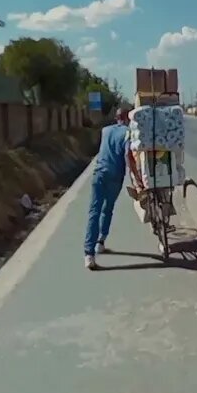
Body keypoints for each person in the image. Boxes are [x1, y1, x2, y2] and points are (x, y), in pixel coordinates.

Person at [85, 106, 139, 270]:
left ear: (116, 118)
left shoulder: (105, 130)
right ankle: (101, 241)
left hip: (99, 174)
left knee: (94, 211)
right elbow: (127, 157)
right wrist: (136, 178)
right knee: (108, 208)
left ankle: (89, 254)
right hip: (115, 176)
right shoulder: (128, 133)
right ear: (128, 118)